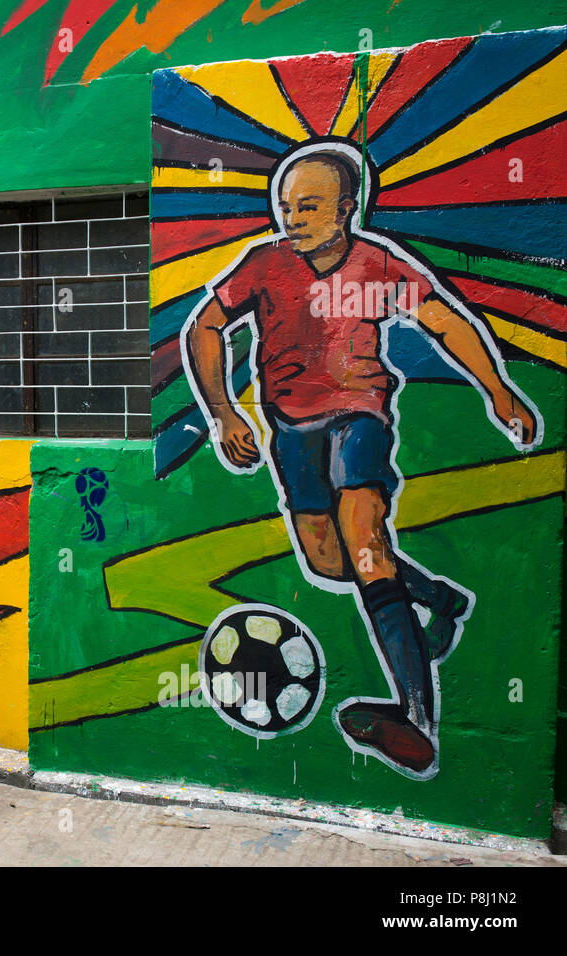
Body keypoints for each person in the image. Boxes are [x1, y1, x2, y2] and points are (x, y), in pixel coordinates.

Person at [182, 144, 539, 778]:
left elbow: (444, 321)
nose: (293, 218)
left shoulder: (377, 264)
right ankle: (438, 599)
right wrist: (225, 412)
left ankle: (415, 719)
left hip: (358, 420)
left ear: (349, 207)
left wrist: (498, 388)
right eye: (286, 206)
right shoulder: (264, 265)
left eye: (311, 206)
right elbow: (203, 329)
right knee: (328, 558)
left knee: (366, 543)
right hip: (291, 428)